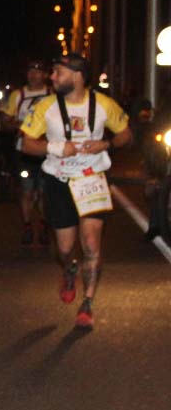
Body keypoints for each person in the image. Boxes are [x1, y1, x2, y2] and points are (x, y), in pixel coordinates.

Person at [20, 53, 131, 329]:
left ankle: (88, 303)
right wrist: (56, 148)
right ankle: (70, 268)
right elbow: (26, 144)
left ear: (78, 75)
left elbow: (126, 134)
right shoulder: (46, 106)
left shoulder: (104, 104)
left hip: (92, 178)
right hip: (59, 181)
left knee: (91, 243)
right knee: (65, 248)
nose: (52, 77)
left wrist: (105, 144)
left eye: (58, 72)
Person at [1, 61, 53, 245]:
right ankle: (27, 226)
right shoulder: (18, 95)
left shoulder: (52, 94)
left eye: (38, 72)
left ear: (45, 75)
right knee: (27, 190)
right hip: (24, 151)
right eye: (30, 71)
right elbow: (5, 121)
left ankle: (45, 226)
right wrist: (21, 126)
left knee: (45, 191)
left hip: (48, 151)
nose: (33, 75)